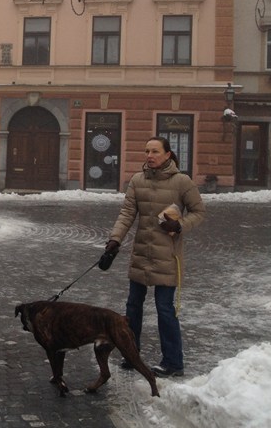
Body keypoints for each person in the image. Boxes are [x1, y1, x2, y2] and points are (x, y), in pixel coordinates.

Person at [103, 136, 205, 377]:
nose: (150, 155)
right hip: (141, 253)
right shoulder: (138, 180)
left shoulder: (182, 182)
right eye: (147, 151)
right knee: (133, 306)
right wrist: (114, 240)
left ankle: (173, 362)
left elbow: (199, 211)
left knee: (165, 309)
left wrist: (180, 226)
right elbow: (127, 213)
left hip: (168, 256)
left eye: (155, 151)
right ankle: (131, 353)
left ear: (168, 154)